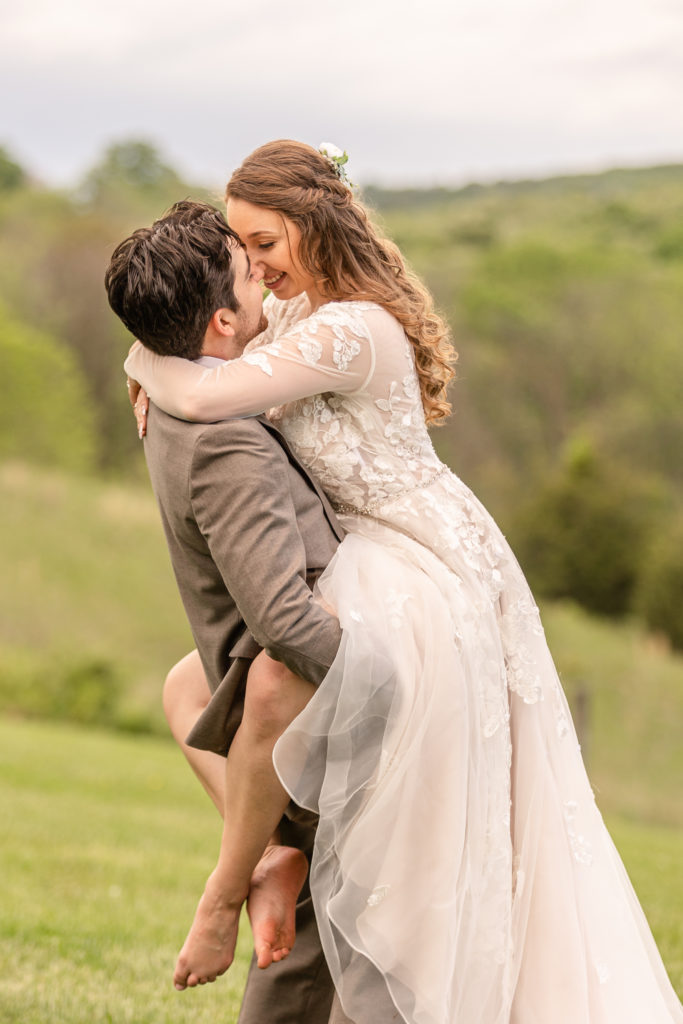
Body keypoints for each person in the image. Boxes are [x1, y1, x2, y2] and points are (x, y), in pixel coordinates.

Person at [124, 142, 683, 1024]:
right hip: (369, 551)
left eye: (263, 242)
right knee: (192, 688)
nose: (256, 266)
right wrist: (165, 341)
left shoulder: (352, 328)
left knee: (353, 762)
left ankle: (288, 901)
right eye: (242, 247)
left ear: (311, 226)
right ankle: (273, 853)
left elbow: (205, 388)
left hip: (415, 559)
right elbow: (214, 343)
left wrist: (142, 364)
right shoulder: (294, 311)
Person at [105, 200, 352, 1023]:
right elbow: (285, 623)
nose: (262, 275)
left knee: (334, 946)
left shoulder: (174, 390)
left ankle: (264, 858)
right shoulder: (228, 444)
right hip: (308, 715)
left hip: (258, 700)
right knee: (318, 957)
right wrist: (398, 672)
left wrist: (139, 356)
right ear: (219, 320)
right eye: (248, 272)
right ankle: (237, 883)